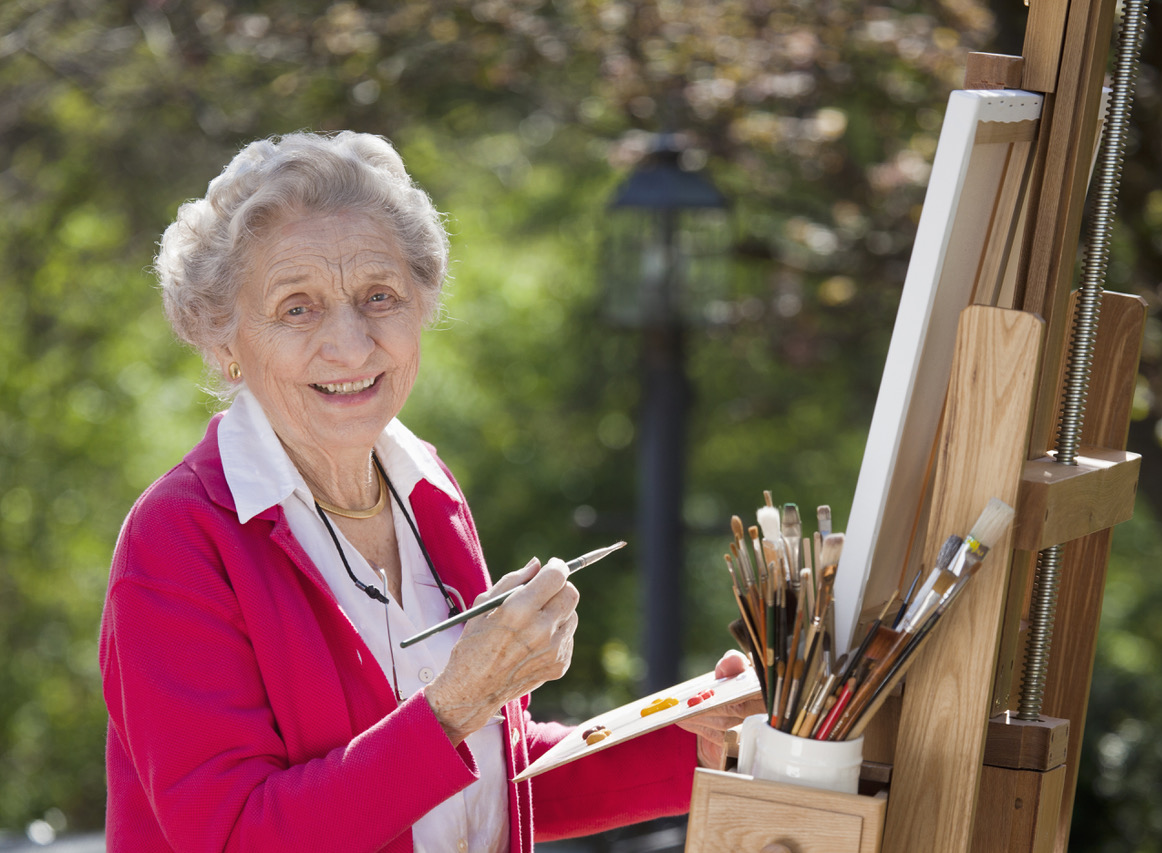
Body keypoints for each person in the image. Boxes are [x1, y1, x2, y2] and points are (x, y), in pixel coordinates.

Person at [99, 131, 761, 852]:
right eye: (298, 307)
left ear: (422, 306)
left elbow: (468, 781)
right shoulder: (178, 539)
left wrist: (696, 733)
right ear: (223, 338)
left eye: (379, 296)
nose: (351, 346)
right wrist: (461, 699)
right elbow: (239, 835)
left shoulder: (426, 488)